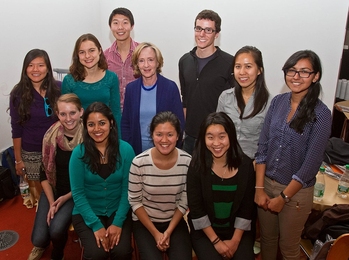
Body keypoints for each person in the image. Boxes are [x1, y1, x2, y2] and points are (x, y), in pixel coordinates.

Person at [254, 50, 332, 260]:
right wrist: (259, 189)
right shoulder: (278, 102)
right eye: (292, 70)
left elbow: (311, 164)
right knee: (267, 242)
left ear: (315, 76)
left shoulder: (321, 114)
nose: (296, 76)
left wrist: (283, 197)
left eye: (304, 72)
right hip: (267, 185)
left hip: (295, 193)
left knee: (288, 248)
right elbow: (262, 147)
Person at [70, 102, 135, 260]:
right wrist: (96, 225)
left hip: (118, 210)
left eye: (102, 123)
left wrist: (118, 222)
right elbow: (78, 194)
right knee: (96, 253)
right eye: (91, 124)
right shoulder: (78, 154)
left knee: (121, 251)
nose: (97, 129)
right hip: (87, 213)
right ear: (85, 127)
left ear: (111, 123)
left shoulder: (126, 150)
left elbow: (128, 190)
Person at [187, 112, 255, 260]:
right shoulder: (196, 166)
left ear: (231, 136)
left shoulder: (246, 165)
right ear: (203, 139)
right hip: (206, 232)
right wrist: (217, 242)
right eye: (210, 137)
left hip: (238, 231)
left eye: (222, 136)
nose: (216, 143)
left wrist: (235, 242)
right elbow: (197, 210)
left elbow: (247, 208)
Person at [128, 111, 192, 260]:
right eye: (159, 134)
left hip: (174, 221)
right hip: (145, 223)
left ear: (178, 136)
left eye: (170, 134)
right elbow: (135, 201)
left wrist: (168, 232)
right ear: (152, 135)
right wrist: (157, 234)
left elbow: (184, 200)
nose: (164, 140)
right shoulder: (139, 163)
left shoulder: (187, 161)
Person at [28, 93, 84, 260]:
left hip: (75, 193)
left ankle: (57, 254)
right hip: (53, 189)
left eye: (72, 113)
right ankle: (45, 243)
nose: (68, 118)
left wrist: (64, 199)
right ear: (57, 114)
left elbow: (91, 179)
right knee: (37, 239)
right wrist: (52, 203)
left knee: (56, 229)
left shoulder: (89, 137)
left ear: (81, 112)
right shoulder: (51, 135)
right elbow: (43, 173)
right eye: (63, 114)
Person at [9, 49, 61, 207]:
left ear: (48, 68)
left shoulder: (59, 88)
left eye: (40, 65)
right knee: (41, 197)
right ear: (25, 69)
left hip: (56, 148)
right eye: (31, 65)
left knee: (59, 188)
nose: (36, 69)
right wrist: (18, 160)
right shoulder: (18, 94)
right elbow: (16, 129)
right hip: (31, 151)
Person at [179, 9, 233, 155]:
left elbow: (233, 105)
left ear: (216, 34)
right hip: (190, 138)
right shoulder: (184, 61)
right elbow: (185, 101)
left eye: (208, 30)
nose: (202, 34)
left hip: (216, 139)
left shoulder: (229, 63)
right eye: (198, 28)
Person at [121, 42, 185, 155]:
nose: (146, 65)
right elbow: (126, 123)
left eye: (150, 60)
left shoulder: (170, 87)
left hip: (165, 151)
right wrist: (129, 148)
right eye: (141, 60)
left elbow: (179, 123)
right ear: (136, 64)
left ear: (157, 62)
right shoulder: (131, 89)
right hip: (137, 152)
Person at [217, 46, 271, 159]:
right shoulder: (225, 97)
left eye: (248, 67)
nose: (242, 72)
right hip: (226, 161)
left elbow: (270, 143)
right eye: (238, 67)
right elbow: (218, 132)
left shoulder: (270, 103)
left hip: (253, 165)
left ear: (259, 70)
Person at [62, 33, 121, 132]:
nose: (87, 56)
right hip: (78, 135)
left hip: (105, 134)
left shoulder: (111, 77)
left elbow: (116, 112)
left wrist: (117, 139)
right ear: (77, 55)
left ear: (100, 51)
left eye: (91, 50)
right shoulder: (69, 80)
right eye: (82, 52)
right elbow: (64, 113)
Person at [104, 7, 139, 110]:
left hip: (137, 110)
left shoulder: (142, 53)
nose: (120, 27)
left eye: (125, 22)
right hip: (113, 113)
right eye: (115, 23)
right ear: (110, 27)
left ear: (132, 26)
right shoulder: (104, 57)